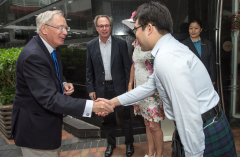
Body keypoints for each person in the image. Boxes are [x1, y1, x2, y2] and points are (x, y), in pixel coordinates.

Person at [97, 1, 237, 157]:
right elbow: (148, 87)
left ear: (149, 28)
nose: (134, 34)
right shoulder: (170, 49)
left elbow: (188, 116)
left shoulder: (166, 58)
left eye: (136, 29)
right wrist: (112, 102)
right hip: (209, 122)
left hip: (204, 129)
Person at [11, 10, 113, 157]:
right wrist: (92, 106)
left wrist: (62, 82)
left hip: (47, 127)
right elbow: (49, 98)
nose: (65, 32)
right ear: (44, 29)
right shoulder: (33, 56)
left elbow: (50, 73)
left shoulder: (52, 49)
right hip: (36, 133)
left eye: (66, 28)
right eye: (60, 28)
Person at [86, 15, 134, 157]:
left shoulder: (120, 44)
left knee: (124, 117)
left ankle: (129, 143)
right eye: (101, 26)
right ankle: (111, 144)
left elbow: (127, 68)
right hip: (101, 89)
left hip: (119, 89)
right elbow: (89, 69)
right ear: (96, 28)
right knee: (107, 119)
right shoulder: (91, 45)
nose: (104, 28)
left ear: (111, 27)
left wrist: (128, 87)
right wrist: (90, 89)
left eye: (107, 25)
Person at [122, 12, 165, 157]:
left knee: (154, 125)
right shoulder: (135, 44)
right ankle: (151, 152)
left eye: (136, 27)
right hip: (139, 89)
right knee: (147, 123)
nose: (135, 30)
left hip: (153, 90)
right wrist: (130, 85)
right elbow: (134, 65)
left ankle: (159, 155)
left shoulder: (154, 43)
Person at [182, 19, 216, 85]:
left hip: (206, 78)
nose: (193, 31)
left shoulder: (207, 44)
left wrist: (213, 79)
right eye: (191, 28)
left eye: (196, 28)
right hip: (191, 79)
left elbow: (211, 63)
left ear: (201, 29)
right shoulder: (183, 45)